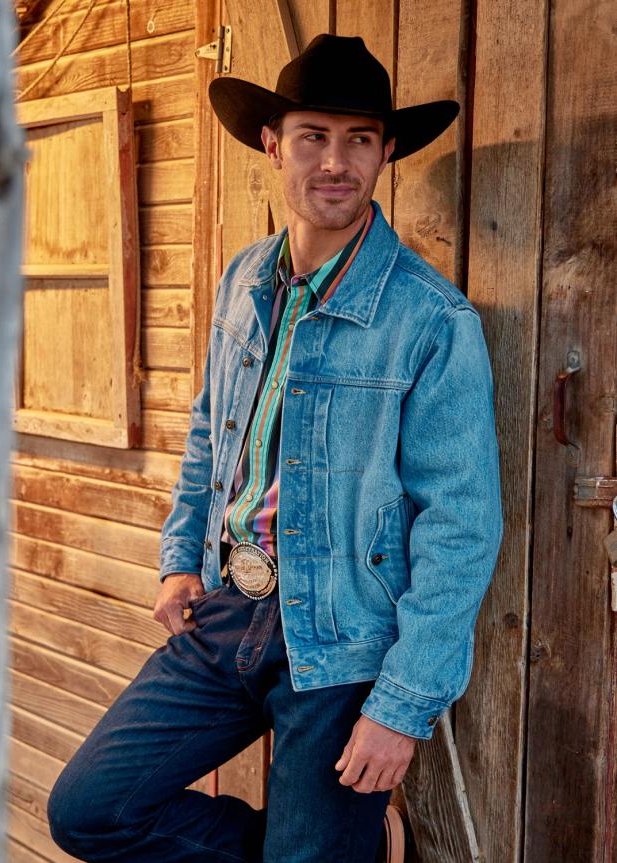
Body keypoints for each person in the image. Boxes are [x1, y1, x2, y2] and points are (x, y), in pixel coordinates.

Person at [46, 33, 504, 863]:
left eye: (359, 139)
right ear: (272, 143)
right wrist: (180, 555)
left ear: (386, 151)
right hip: (227, 608)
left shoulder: (432, 320)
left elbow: (461, 527)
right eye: (313, 137)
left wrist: (400, 706)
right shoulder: (243, 279)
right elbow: (207, 428)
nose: (336, 161)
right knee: (90, 809)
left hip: (340, 636)